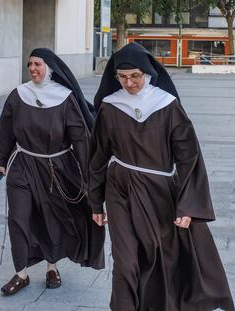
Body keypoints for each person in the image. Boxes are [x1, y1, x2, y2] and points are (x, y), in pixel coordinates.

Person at [89, 42, 234, 311]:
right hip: (119, 188)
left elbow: (189, 158)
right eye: (122, 77)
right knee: (125, 261)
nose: (129, 83)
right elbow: (97, 156)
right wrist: (95, 201)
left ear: (148, 73)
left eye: (135, 76)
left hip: (159, 190)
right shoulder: (110, 107)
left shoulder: (167, 106)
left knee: (160, 256)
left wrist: (188, 205)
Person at [0, 48, 105, 296]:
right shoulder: (19, 94)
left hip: (56, 169)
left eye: (38, 64)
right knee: (18, 219)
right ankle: (20, 273)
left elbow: (81, 139)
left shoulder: (64, 98)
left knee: (50, 219)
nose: (33, 69)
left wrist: (88, 175)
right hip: (22, 164)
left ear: (50, 68)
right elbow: (6, 128)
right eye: (30, 64)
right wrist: (1, 161)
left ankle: (52, 268)